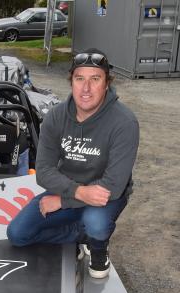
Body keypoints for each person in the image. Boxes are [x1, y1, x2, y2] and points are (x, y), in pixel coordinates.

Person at [7, 48, 139, 278]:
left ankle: (98, 247)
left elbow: (114, 186)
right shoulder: (56, 116)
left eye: (95, 79)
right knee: (18, 233)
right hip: (71, 187)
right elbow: (44, 172)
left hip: (106, 196)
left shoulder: (124, 122)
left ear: (106, 84)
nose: (86, 88)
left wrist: (64, 201)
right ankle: (81, 236)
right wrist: (77, 192)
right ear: (72, 82)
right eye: (80, 79)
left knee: (95, 221)